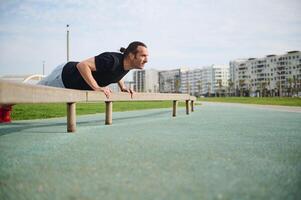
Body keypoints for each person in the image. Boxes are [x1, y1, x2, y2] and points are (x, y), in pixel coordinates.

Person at [0, 41, 149, 123]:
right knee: (29, 94)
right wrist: (97, 87)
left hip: (70, 82)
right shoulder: (111, 59)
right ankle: (4, 106)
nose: (146, 59)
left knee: (28, 95)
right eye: (143, 55)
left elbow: (116, 75)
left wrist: (122, 87)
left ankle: (5, 109)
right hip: (64, 76)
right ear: (131, 55)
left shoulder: (126, 66)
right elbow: (82, 65)